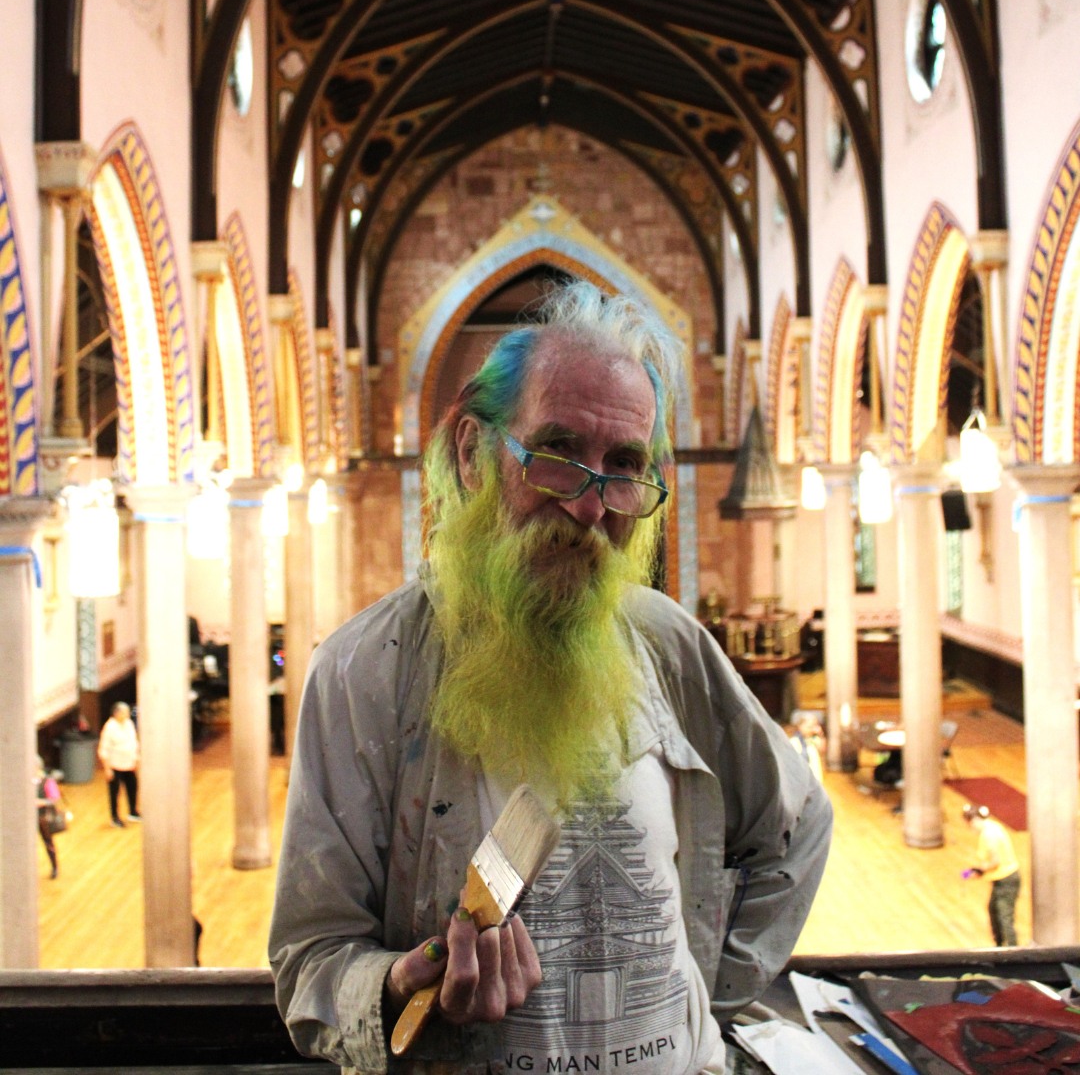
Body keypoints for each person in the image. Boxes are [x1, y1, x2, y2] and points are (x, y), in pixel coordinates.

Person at [269, 280, 833, 1073]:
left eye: (624, 467)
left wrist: (702, 993)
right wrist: (402, 988)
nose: (590, 506)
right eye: (559, 455)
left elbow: (798, 826)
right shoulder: (365, 674)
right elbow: (310, 961)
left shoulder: (668, 645)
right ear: (471, 453)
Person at [962, 803, 1021, 947]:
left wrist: (979, 870)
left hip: (1006, 881)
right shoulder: (992, 827)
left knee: (1004, 918)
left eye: (970, 824)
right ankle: (1000, 948)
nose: (970, 828)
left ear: (975, 820)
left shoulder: (989, 835)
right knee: (994, 913)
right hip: (1002, 880)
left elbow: (995, 861)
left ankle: (1013, 953)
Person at [98, 701, 141, 828]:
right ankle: (115, 817)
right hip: (115, 765)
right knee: (115, 793)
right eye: (125, 713)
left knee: (133, 788)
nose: (128, 715)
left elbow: (134, 742)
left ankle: (133, 812)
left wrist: (136, 759)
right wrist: (107, 769)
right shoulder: (109, 727)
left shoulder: (128, 724)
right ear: (117, 713)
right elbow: (103, 749)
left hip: (129, 764)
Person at [35, 755, 62, 879]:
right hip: (30, 818)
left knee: (48, 842)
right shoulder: (25, 780)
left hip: (43, 817)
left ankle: (54, 867)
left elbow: (55, 799)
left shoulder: (47, 781)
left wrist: (41, 802)